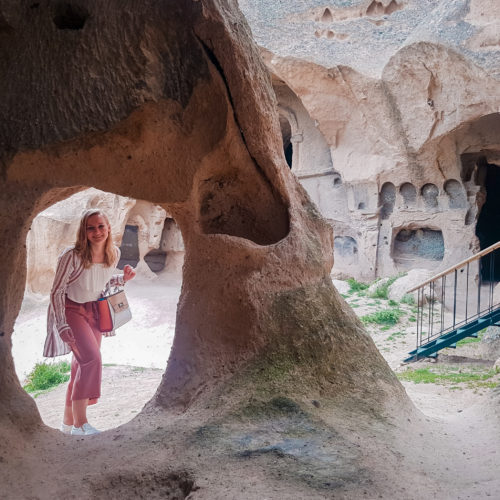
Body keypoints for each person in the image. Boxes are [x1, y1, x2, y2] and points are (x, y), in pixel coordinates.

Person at [44, 208, 136, 436]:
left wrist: (123, 278)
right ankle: (81, 425)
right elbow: (57, 291)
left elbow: (100, 282)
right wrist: (62, 325)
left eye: (101, 226)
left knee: (79, 368)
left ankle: (67, 425)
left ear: (108, 228)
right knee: (91, 360)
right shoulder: (71, 255)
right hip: (71, 310)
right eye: (91, 227)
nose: (97, 232)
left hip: (93, 312)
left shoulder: (112, 252)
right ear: (83, 231)